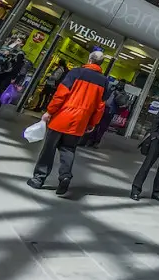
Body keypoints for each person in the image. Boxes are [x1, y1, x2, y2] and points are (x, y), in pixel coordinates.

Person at [27, 50, 108, 196]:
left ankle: (39, 179)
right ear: (101, 64)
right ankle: (65, 176)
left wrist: (49, 111)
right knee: (68, 150)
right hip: (79, 123)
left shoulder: (76, 73)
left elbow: (60, 94)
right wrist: (92, 123)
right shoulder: (104, 82)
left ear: (89, 59)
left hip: (61, 118)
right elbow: (100, 107)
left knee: (49, 149)